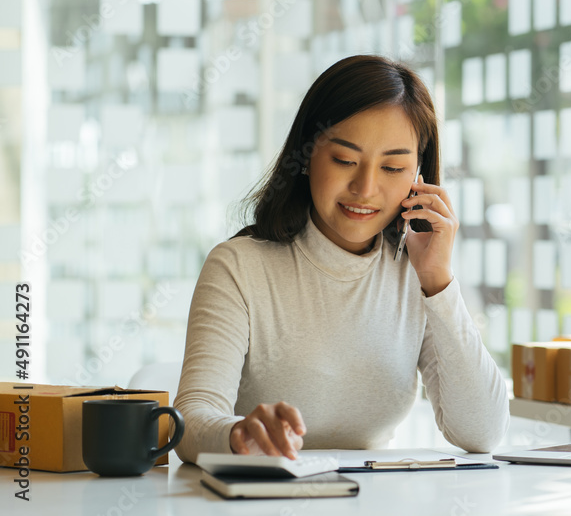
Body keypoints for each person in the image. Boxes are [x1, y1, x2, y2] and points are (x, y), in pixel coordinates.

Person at [173, 55, 509, 462]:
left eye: (392, 167)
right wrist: (240, 435)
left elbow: (482, 433)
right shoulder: (239, 267)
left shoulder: (417, 276)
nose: (365, 188)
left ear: (418, 176)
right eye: (345, 160)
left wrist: (438, 280)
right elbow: (189, 422)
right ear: (306, 155)